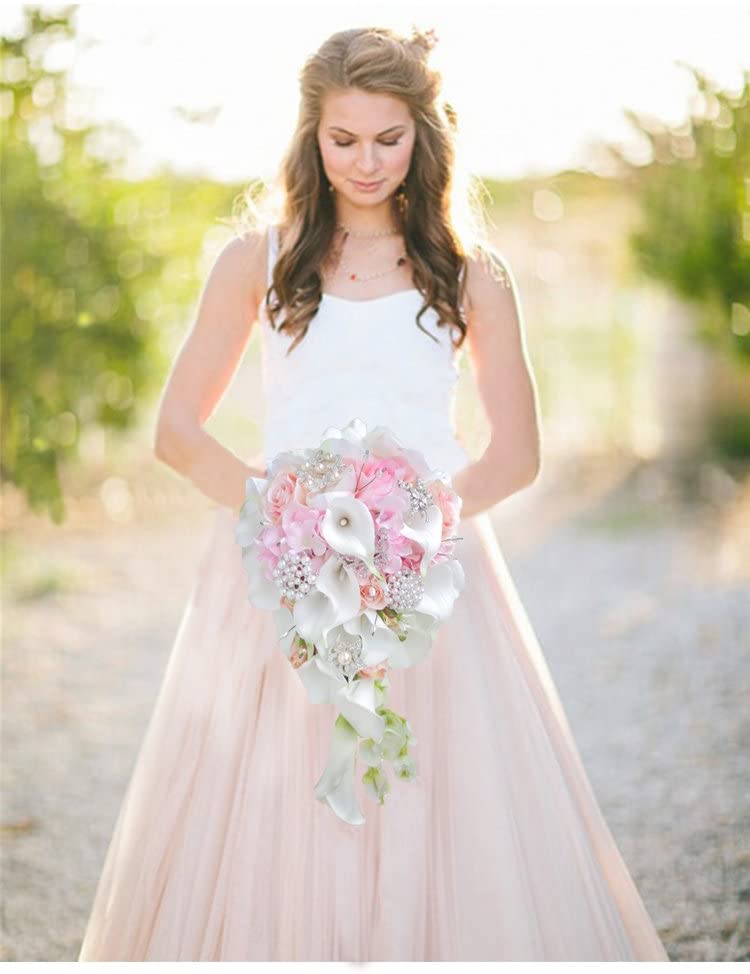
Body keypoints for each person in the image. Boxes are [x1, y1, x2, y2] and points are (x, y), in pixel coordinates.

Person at [77, 25, 670, 961]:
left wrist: (408, 537)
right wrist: (292, 526)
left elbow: (514, 455)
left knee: (436, 800)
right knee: (272, 806)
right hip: (277, 582)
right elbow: (177, 433)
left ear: (426, 137)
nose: (364, 161)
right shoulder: (258, 262)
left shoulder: (472, 276)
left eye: (388, 139)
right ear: (310, 135)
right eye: (342, 138)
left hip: (430, 582)